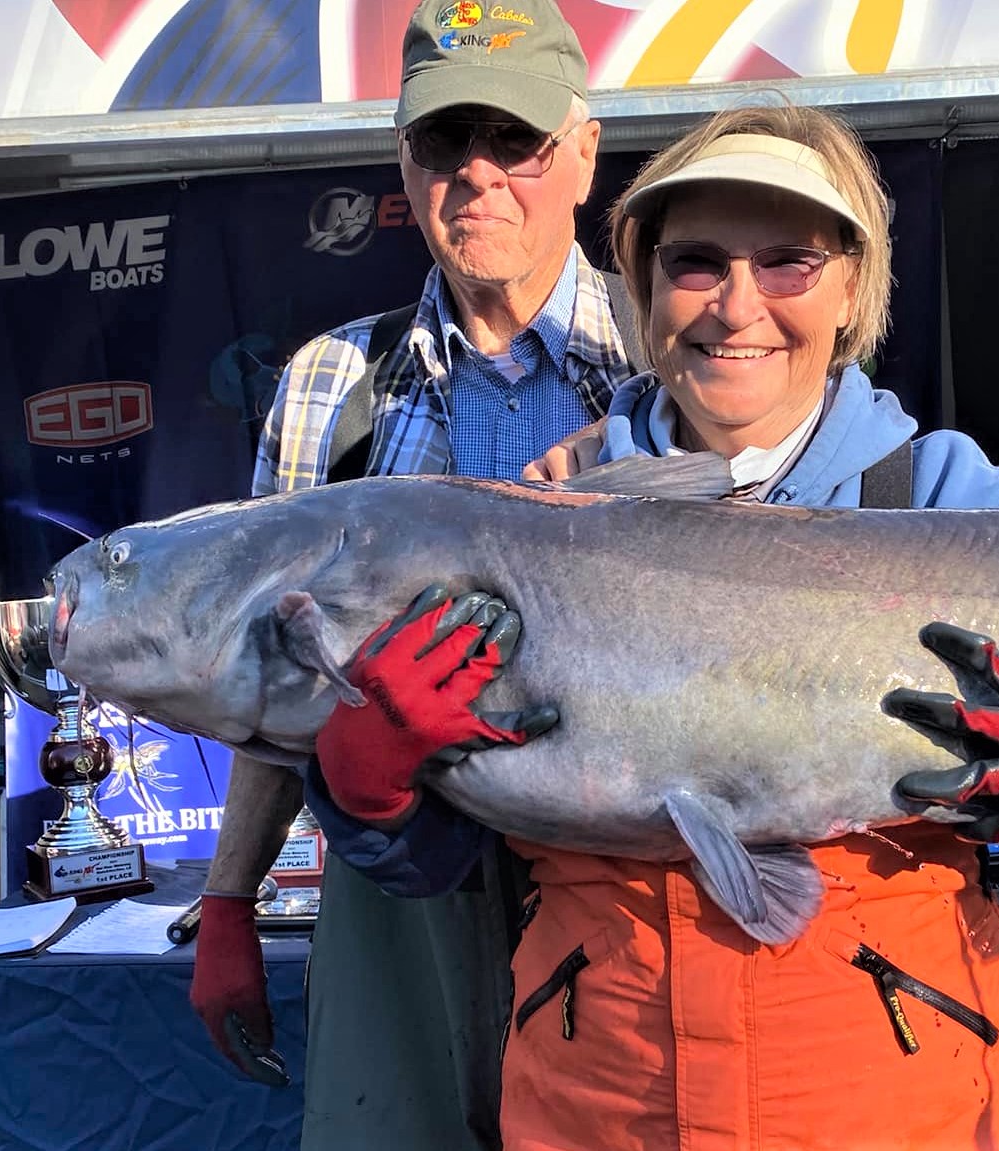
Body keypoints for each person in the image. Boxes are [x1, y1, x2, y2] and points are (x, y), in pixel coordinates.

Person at [325, 104, 999, 1148]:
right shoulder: (544, 516)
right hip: (599, 1104)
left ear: (850, 288)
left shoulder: (953, 499)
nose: (739, 306)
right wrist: (367, 792)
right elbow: (442, 866)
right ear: (645, 286)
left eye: (788, 261)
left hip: (898, 1101)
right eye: (696, 262)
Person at [185, 2, 642, 1148]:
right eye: (447, 143)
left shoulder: (672, 351)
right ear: (406, 162)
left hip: (627, 872)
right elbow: (268, 676)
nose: (479, 174)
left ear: (582, 154)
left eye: (516, 139)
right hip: (395, 890)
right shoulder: (333, 384)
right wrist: (232, 895)